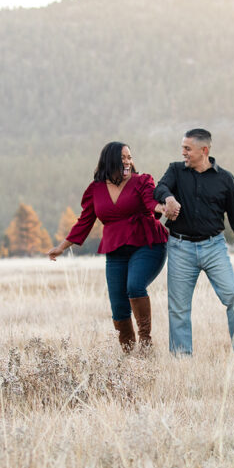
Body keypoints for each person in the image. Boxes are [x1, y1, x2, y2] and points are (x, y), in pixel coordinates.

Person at [48, 141, 169, 352]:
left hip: (148, 244)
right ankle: (129, 354)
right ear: (109, 160)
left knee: (134, 286)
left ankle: (145, 345)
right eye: (123, 158)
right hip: (116, 250)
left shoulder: (142, 181)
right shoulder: (95, 190)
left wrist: (161, 207)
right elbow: (84, 222)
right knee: (118, 304)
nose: (127, 161)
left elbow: (151, 202)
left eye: (129, 157)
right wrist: (61, 247)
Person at [154, 128, 234, 355]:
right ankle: (181, 359)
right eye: (183, 148)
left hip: (214, 247)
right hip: (180, 247)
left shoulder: (225, 179)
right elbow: (159, 188)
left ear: (204, 150)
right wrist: (168, 197)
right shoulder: (176, 170)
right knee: (178, 308)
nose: (184, 153)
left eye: (188, 149)